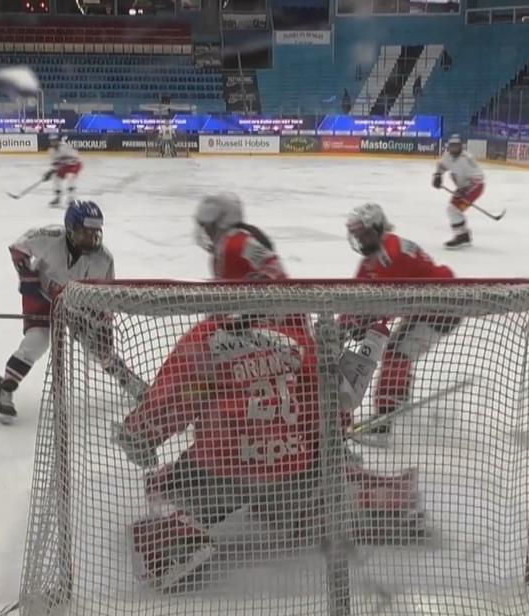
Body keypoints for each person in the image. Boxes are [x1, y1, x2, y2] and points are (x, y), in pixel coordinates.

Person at [116, 311, 425, 592]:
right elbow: (333, 413)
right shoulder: (301, 337)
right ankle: (373, 502)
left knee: (166, 485)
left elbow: (171, 401)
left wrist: (139, 435)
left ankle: (176, 535)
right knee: (324, 471)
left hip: (222, 471)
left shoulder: (206, 335)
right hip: (292, 475)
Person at [0, 200, 144, 424]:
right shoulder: (50, 237)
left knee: (100, 350)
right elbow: (18, 248)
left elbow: (105, 297)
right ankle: (4, 391)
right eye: (84, 233)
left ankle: (130, 382)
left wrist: (104, 326)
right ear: (70, 229)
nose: (91, 239)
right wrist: (27, 277)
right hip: (41, 296)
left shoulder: (104, 259)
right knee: (37, 341)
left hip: (77, 303)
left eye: (95, 233)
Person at [342, 203, 458, 431]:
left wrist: (355, 324)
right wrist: (347, 323)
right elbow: (359, 296)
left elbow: (383, 305)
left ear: (377, 229)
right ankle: (397, 397)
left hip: (444, 308)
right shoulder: (376, 256)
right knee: (397, 351)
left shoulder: (391, 254)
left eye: (364, 234)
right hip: (426, 308)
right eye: (357, 235)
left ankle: (385, 421)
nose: (361, 240)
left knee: (396, 354)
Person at [193, 193, 287, 281]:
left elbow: (278, 273)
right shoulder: (221, 251)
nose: (205, 231)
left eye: (205, 226)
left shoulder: (239, 244)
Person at [432, 133, 485, 249]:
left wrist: (466, 191)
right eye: (452, 146)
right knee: (452, 209)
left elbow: (479, 179)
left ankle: (462, 235)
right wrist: (437, 175)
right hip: (463, 187)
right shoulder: (447, 155)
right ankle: (463, 235)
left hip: (475, 187)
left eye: (456, 146)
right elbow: (442, 166)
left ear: (461, 146)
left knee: (453, 209)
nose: (454, 149)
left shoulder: (468, 159)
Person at [44, 133, 82, 207]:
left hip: (74, 165)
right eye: (51, 141)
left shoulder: (66, 146)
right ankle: (58, 198)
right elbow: (54, 163)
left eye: (54, 140)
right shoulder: (51, 151)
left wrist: (62, 163)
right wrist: (50, 171)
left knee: (70, 176)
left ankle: (71, 199)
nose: (53, 142)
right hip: (63, 167)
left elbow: (75, 158)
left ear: (58, 141)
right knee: (55, 177)